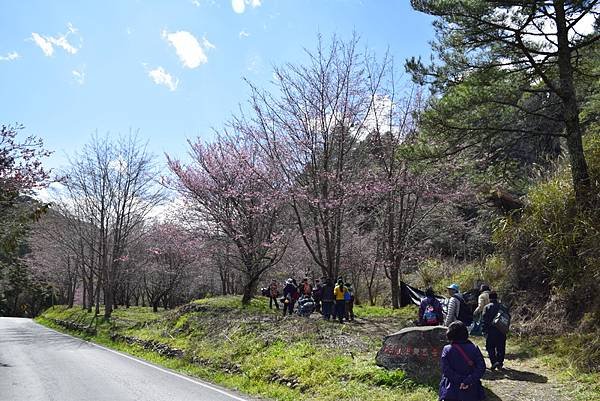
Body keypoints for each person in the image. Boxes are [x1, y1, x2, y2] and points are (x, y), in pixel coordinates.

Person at [439, 321, 486, 401]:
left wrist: (460, 380)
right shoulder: (474, 348)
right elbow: (481, 367)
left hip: (451, 389)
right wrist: (467, 381)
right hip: (472, 390)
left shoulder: (447, 349)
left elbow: (445, 370)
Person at [482, 291, 507, 371]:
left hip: (491, 330)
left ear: (489, 298)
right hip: (501, 330)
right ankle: (500, 362)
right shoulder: (503, 307)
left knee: (490, 347)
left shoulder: (487, 307)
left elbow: (484, 320)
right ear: (497, 297)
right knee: (501, 347)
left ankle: (494, 361)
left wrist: (484, 331)